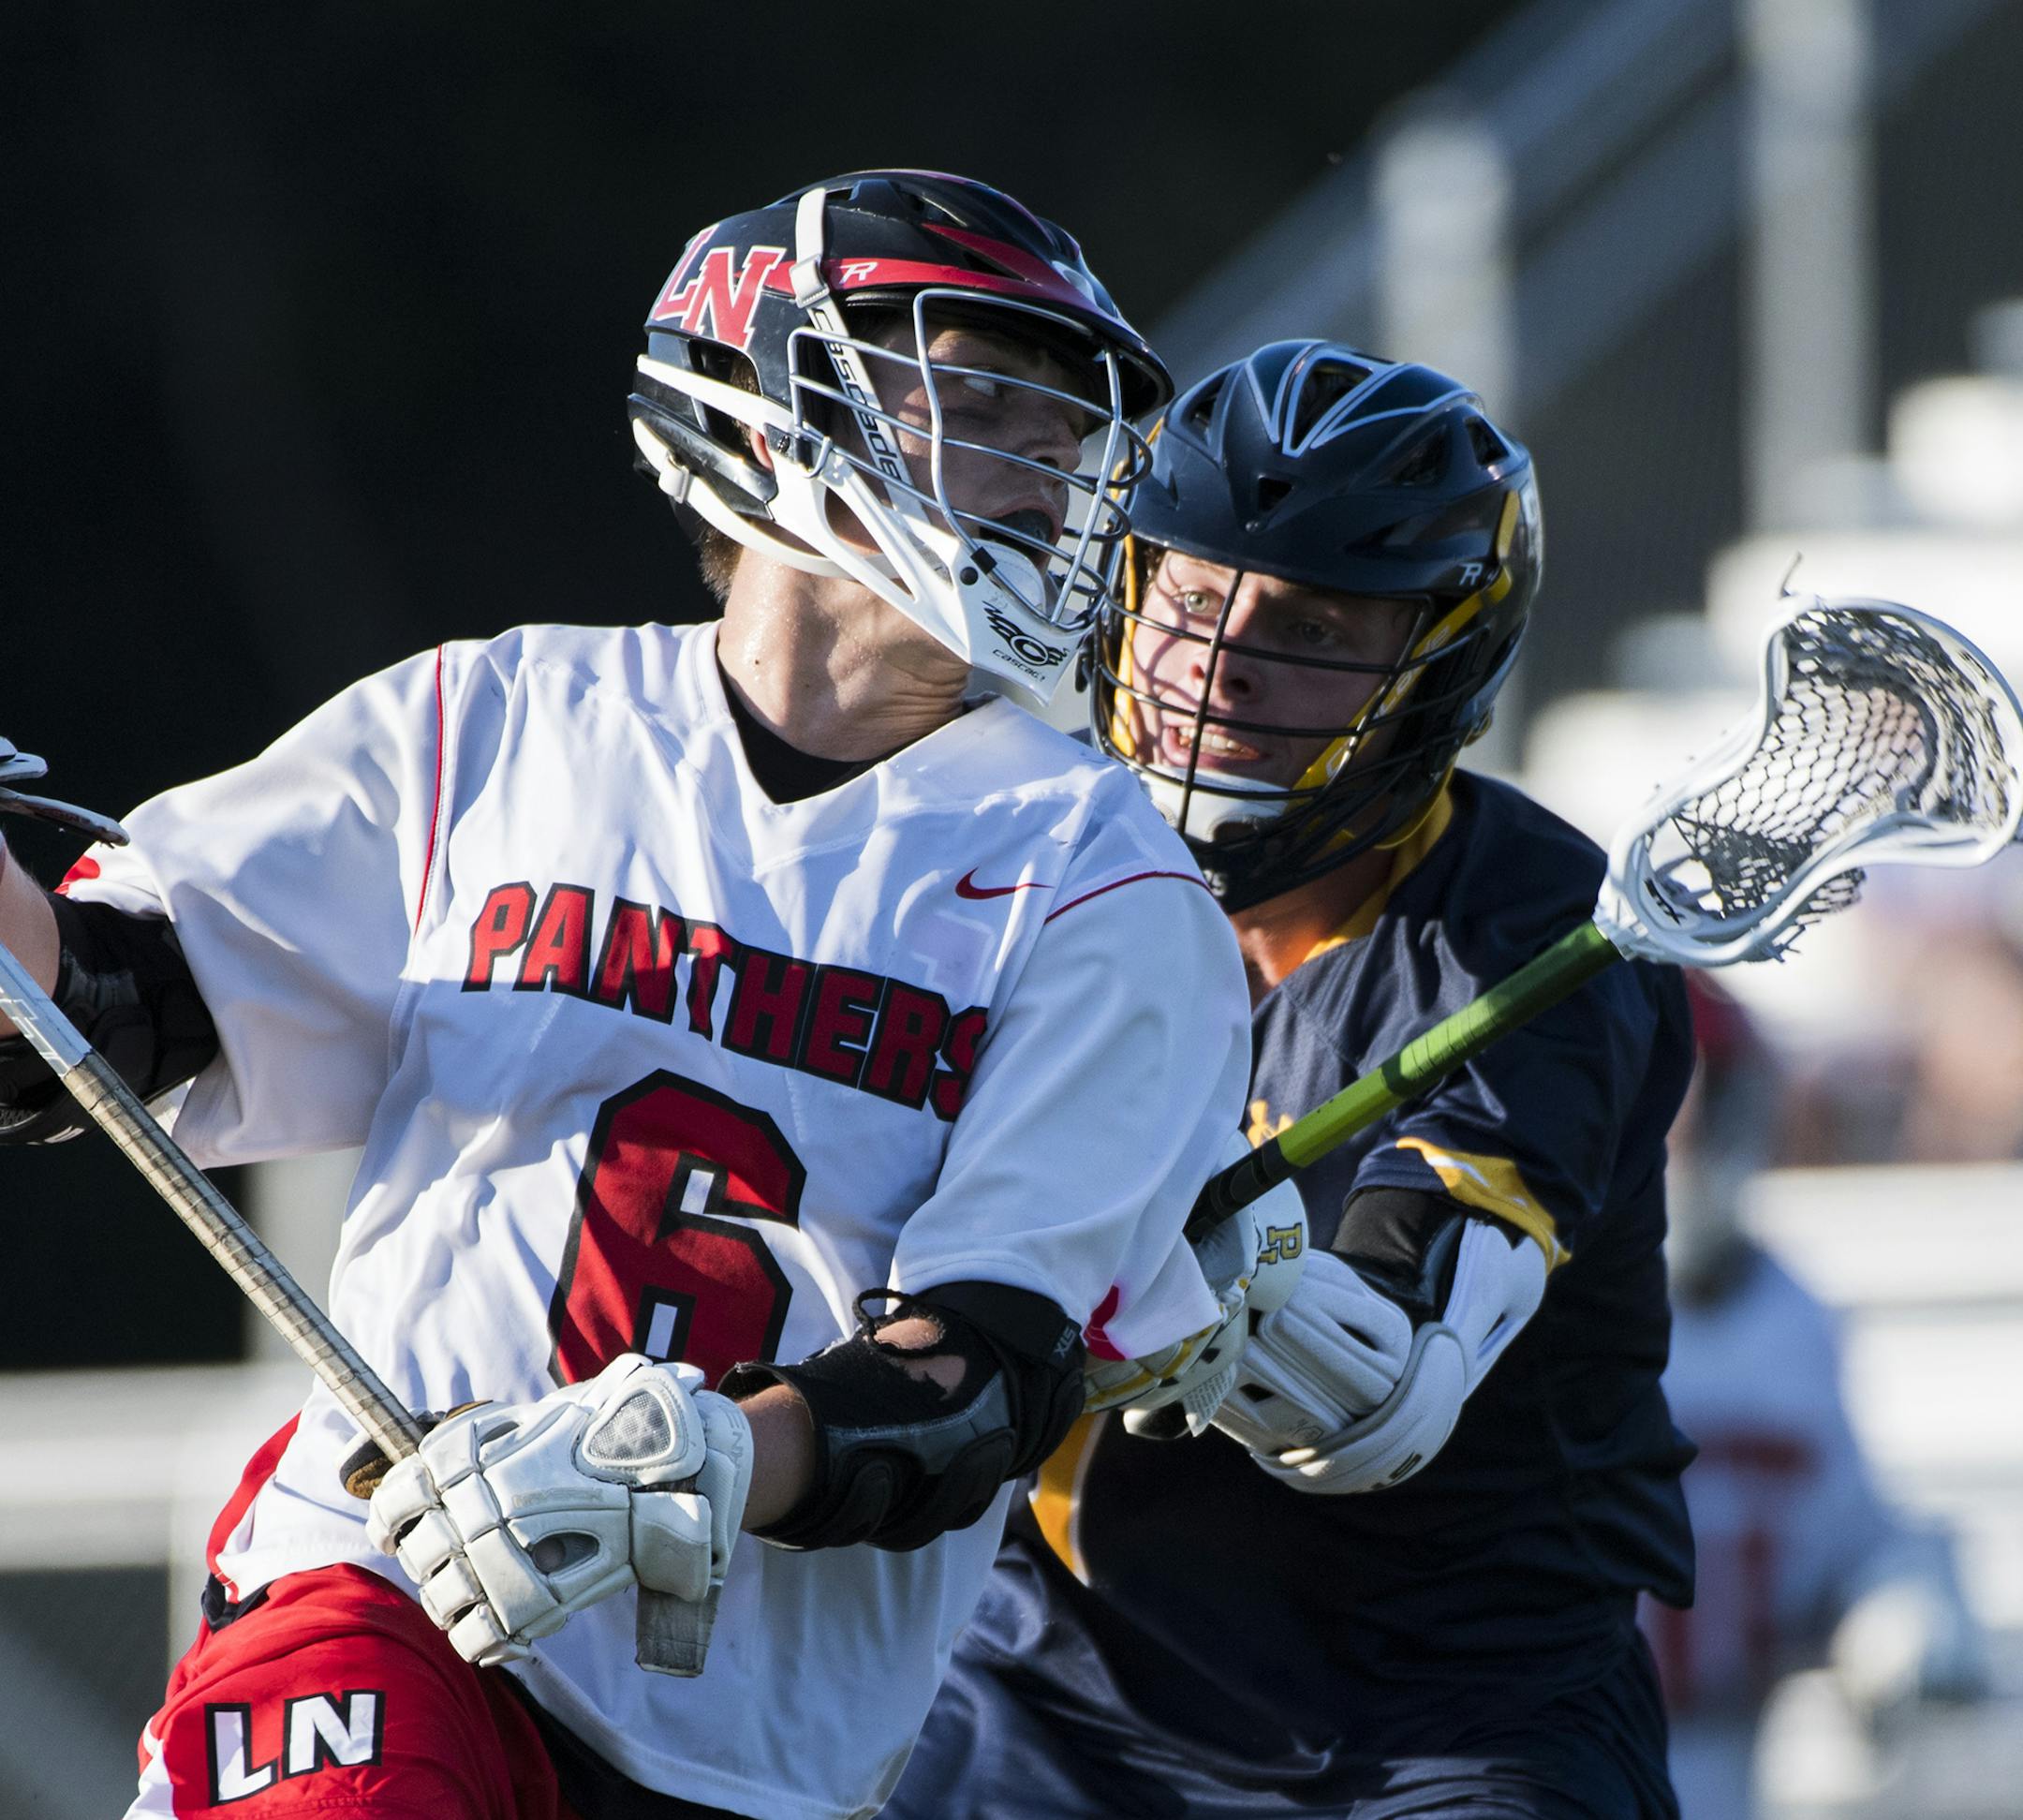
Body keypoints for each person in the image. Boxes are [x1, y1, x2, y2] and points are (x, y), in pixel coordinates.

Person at [0, 170, 1256, 1820]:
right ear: (774, 391)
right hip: (381, 1579)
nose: (1041, 470)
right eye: (985, 399)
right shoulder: (499, 721)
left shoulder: (1109, 884)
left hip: (750, 1734)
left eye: (1060, 427)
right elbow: (80, 1027)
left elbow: (981, 1386)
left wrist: (699, 1464)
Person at [883, 339, 1700, 1819]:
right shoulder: (994, 858)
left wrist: (1186, 1299)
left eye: (1313, 622)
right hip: (1046, 1688)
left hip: (1442, 1718)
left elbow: (1384, 1390)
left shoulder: (1532, 933)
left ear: (1436, 670)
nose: (1222, 662)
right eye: (1192, 598)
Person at [1647, 976, 1986, 1818]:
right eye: (1664, 1112)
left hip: (1726, 1761)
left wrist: (1896, 1604)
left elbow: (1844, 1542)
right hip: (1544, 1756)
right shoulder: (1534, 1306)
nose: (1687, 1145)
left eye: (1708, 1106)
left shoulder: (1791, 1314)